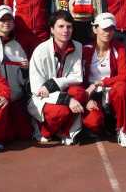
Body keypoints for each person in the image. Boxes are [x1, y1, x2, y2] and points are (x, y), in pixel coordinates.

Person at [27, 10, 85, 145]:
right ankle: (44, 131)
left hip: (62, 92)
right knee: (60, 111)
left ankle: (64, 132)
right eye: (61, 26)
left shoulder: (78, 46)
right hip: (42, 98)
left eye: (69, 26)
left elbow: (78, 77)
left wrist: (53, 84)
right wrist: (67, 99)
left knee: (80, 93)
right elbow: (37, 90)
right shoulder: (40, 51)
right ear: (52, 30)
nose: (66, 30)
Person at [81, 13, 126, 147]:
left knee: (122, 87)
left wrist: (102, 82)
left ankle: (122, 130)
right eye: (104, 29)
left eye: (111, 29)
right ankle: (105, 122)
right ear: (95, 29)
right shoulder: (85, 50)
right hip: (93, 93)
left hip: (111, 90)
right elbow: (78, 79)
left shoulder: (119, 47)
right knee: (93, 123)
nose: (108, 32)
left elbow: (124, 75)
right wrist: (86, 99)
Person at [0, 5, 33, 141]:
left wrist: (25, 69)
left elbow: (24, 79)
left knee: (24, 134)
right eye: (2, 20)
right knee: (2, 134)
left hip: (14, 99)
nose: (6, 23)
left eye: (9, 19)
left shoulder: (17, 46)